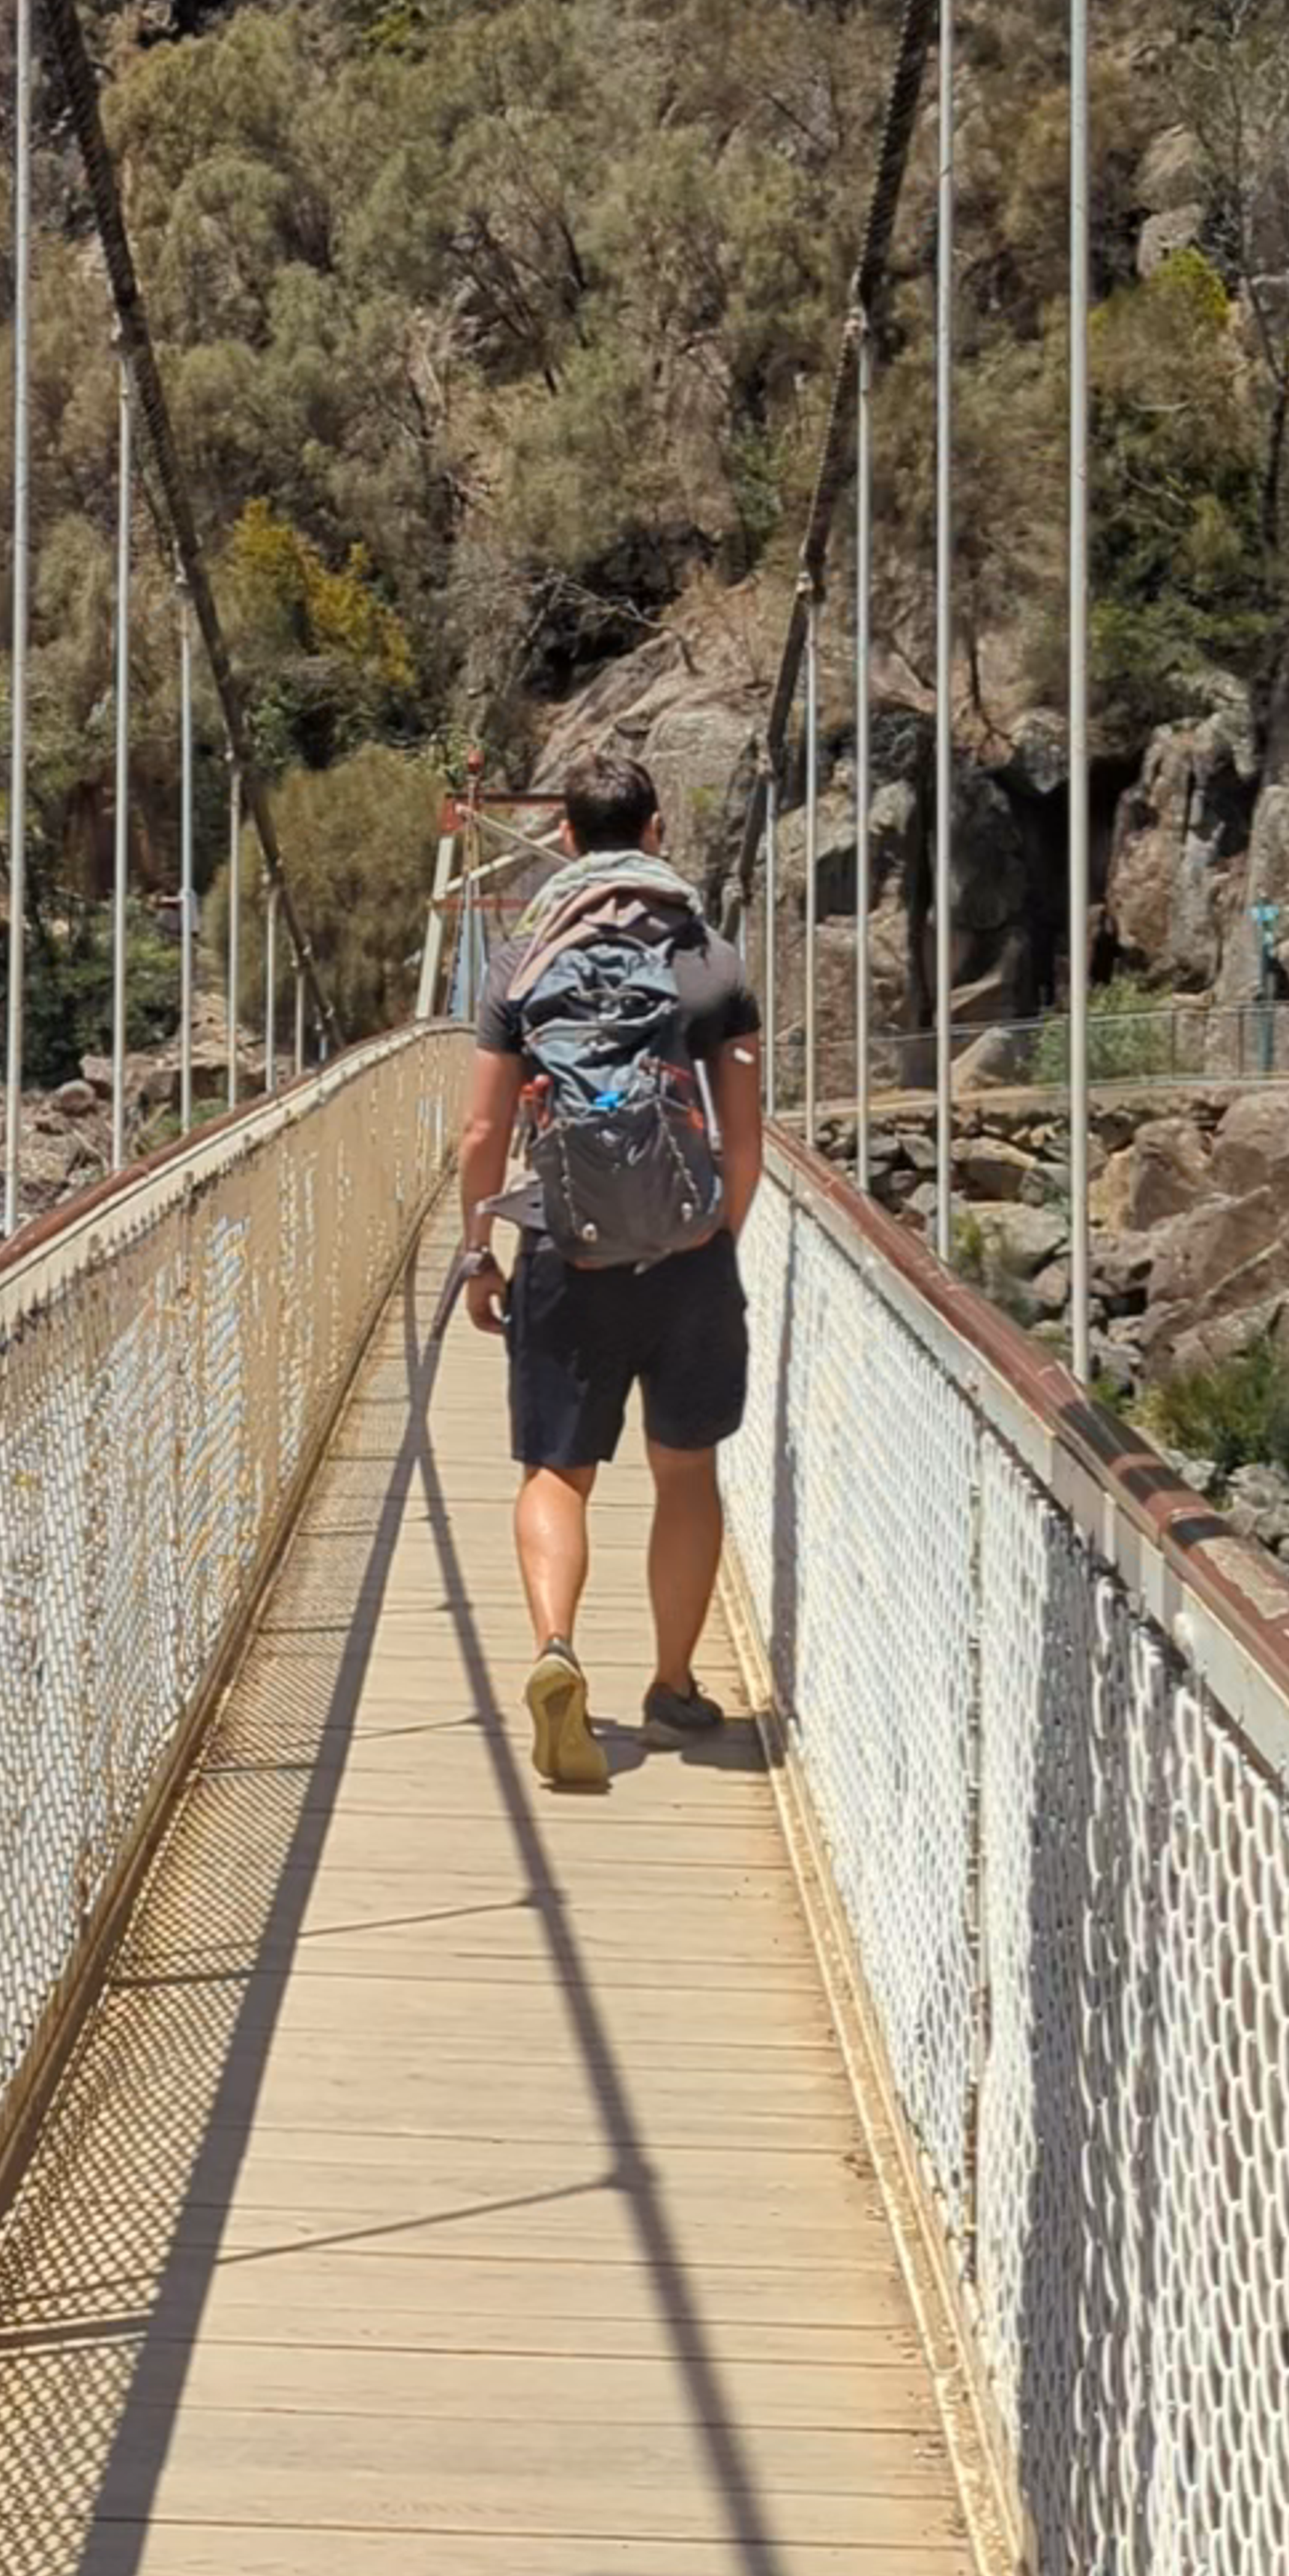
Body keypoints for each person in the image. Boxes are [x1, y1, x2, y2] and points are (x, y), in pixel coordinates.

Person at [456, 749, 765, 1795]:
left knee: (557, 1471)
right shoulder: (710, 959)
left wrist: (475, 1257)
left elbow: (479, 1133)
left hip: (562, 1247)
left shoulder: (521, 962)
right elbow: (748, 1143)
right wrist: (707, 1236)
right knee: (686, 1471)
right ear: (659, 830)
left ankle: (555, 1648)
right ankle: (675, 1685)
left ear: (567, 838)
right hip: (687, 1258)